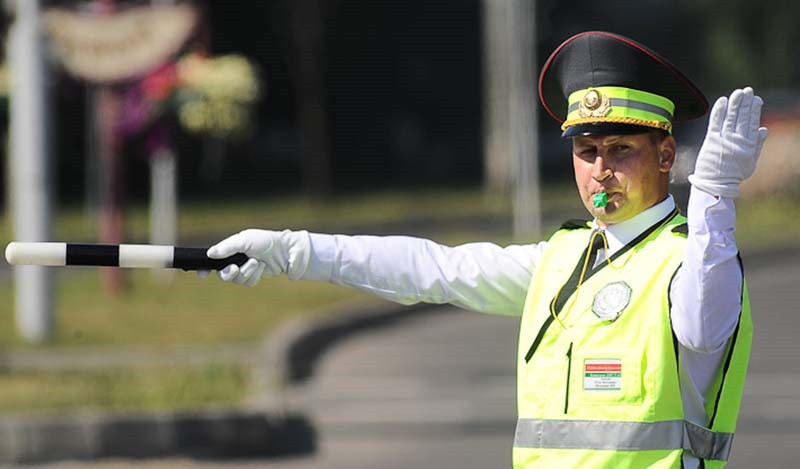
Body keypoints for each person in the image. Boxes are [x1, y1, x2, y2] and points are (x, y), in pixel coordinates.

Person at [205, 31, 767, 468]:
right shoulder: (561, 258)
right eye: (587, 150)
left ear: (667, 155)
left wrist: (714, 197)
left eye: (621, 149)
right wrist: (293, 250)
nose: (600, 170)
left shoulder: (692, 261)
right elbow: (432, 270)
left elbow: (701, 327)